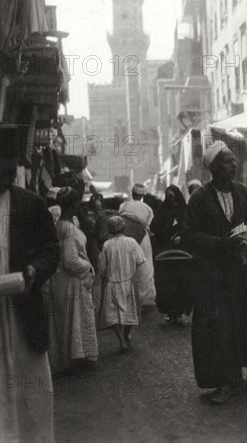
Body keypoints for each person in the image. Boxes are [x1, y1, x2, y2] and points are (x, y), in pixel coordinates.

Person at [182, 140, 247, 405]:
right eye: (227, 160)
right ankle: (225, 381)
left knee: (240, 324)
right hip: (213, 276)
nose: (233, 164)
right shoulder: (200, 198)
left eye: (234, 160)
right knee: (218, 327)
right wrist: (223, 243)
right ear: (213, 167)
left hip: (242, 274)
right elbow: (188, 235)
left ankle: (234, 376)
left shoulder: (244, 192)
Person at [0, 125, 60, 443]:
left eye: (12, 169)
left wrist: (34, 272)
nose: (7, 176)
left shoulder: (30, 204)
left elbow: (51, 250)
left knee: (31, 390)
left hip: (23, 315)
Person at [48, 187, 98, 375]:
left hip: (61, 280)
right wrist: (87, 266)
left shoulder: (62, 224)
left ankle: (70, 358)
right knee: (75, 319)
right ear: (74, 204)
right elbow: (70, 260)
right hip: (72, 280)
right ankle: (76, 358)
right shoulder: (69, 229)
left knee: (67, 320)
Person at [99, 216, 146, 352]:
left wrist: (99, 278)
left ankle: (121, 341)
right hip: (129, 282)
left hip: (112, 283)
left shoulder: (107, 245)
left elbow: (102, 267)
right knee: (130, 312)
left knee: (114, 314)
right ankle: (126, 336)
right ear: (123, 228)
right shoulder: (131, 242)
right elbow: (140, 260)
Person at [151, 185, 191, 325]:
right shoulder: (163, 210)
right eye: (169, 198)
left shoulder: (185, 210)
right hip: (166, 254)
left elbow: (190, 227)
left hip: (182, 254)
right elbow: (154, 226)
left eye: (173, 197)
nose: (172, 200)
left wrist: (182, 236)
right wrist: (166, 235)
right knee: (167, 284)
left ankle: (179, 312)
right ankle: (170, 312)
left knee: (181, 283)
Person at [119, 183, 156, 307]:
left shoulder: (124, 206)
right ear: (142, 195)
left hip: (126, 236)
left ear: (132, 194)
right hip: (143, 239)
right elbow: (149, 225)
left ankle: (127, 298)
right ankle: (145, 298)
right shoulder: (147, 208)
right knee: (144, 267)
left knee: (126, 265)